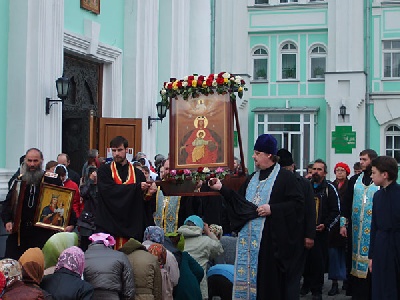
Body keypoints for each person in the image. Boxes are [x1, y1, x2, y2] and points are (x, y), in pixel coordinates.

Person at [208, 134, 304, 299]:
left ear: (269, 155)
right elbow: (240, 203)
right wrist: (221, 188)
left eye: (257, 153)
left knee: (268, 287)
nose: (254, 156)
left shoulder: (285, 178)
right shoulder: (253, 178)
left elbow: (298, 205)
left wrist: (272, 209)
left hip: (271, 245)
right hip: (249, 243)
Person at [95, 136, 157, 247]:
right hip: (110, 225)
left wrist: (149, 194)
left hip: (132, 225)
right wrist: (136, 188)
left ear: (127, 150)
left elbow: (143, 202)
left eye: (119, 150)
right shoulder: (104, 171)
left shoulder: (138, 174)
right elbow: (109, 192)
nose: (116, 154)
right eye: (113, 150)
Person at [1, 148, 55, 260]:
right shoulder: (18, 180)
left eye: (35, 161)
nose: (32, 164)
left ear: (41, 161)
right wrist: (7, 221)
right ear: (25, 161)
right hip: (20, 234)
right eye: (29, 161)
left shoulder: (51, 180)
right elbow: (7, 204)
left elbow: (61, 201)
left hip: (41, 234)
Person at [276, 148, 316, 299]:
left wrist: (309, 235)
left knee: (294, 275)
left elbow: (310, 210)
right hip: (279, 235)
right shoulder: (274, 182)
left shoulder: (303, 183)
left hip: (298, 236)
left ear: (292, 166)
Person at [340, 149, 379, 299]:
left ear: (372, 161)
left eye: (364, 159)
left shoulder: (377, 182)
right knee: (353, 260)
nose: (361, 162)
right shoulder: (355, 180)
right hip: (355, 230)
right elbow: (346, 203)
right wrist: (343, 224)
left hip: (372, 230)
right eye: (360, 159)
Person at [301, 159, 340, 300]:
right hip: (305, 231)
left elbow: (336, 211)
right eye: (314, 169)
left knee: (318, 262)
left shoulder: (329, 188)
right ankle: (305, 285)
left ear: (325, 173)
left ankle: (317, 290)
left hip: (321, 233)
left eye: (319, 169)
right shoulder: (305, 186)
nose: (316, 172)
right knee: (305, 260)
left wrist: (326, 225)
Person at [368, 156, 400, 299]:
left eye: (374, 172)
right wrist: (371, 256)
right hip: (381, 245)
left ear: (385, 174)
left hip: (396, 244)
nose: (371, 176)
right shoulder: (377, 195)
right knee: (380, 285)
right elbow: (374, 226)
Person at [177, 215, 223, 299]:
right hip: (199, 284)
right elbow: (219, 250)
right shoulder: (206, 242)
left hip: (179, 285)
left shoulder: (176, 239)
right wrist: (209, 232)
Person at [84, 233, 135, 299]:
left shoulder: (83, 256)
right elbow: (129, 287)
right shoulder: (120, 256)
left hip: (90, 296)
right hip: (113, 296)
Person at [328, 162, 350, 295]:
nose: (339, 173)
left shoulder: (350, 185)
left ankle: (346, 280)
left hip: (346, 223)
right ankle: (334, 282)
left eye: (342, 170)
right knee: (334, 254)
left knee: (346, 253)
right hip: (334, 225)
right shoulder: (331, 186)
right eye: (337, 170)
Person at [78, 165, 98, 251]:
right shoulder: (85, 186)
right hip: (87, 221)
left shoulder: (101, 186)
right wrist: (90, 181)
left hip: (98, 221)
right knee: (84, 246)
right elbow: (83, 193)